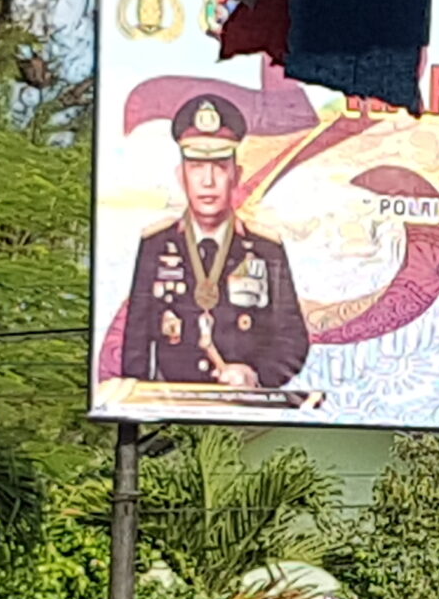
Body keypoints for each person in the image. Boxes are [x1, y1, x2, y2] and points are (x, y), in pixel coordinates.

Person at [119, 93, 310, 388]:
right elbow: (136, 343)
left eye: (219, 167)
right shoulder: (155, 245)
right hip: (173, 405)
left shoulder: (265, 248)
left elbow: (292, 341)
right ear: (181, 175)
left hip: (243, 405)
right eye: (196, 167)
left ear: (236, 175)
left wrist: (257, 375)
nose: (207, 181)